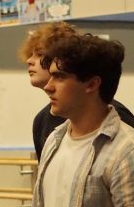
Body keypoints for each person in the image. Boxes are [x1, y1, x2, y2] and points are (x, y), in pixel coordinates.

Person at [19, 33, 134, 207]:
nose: (49, 86)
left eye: (60, 77)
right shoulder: (55, 140)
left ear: (92, 84)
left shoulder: (124, 150)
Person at [18, 21, 134, 159]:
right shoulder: (42, 121)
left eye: (39, 54)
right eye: (30, 54)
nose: (29, 61)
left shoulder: (117, 119)